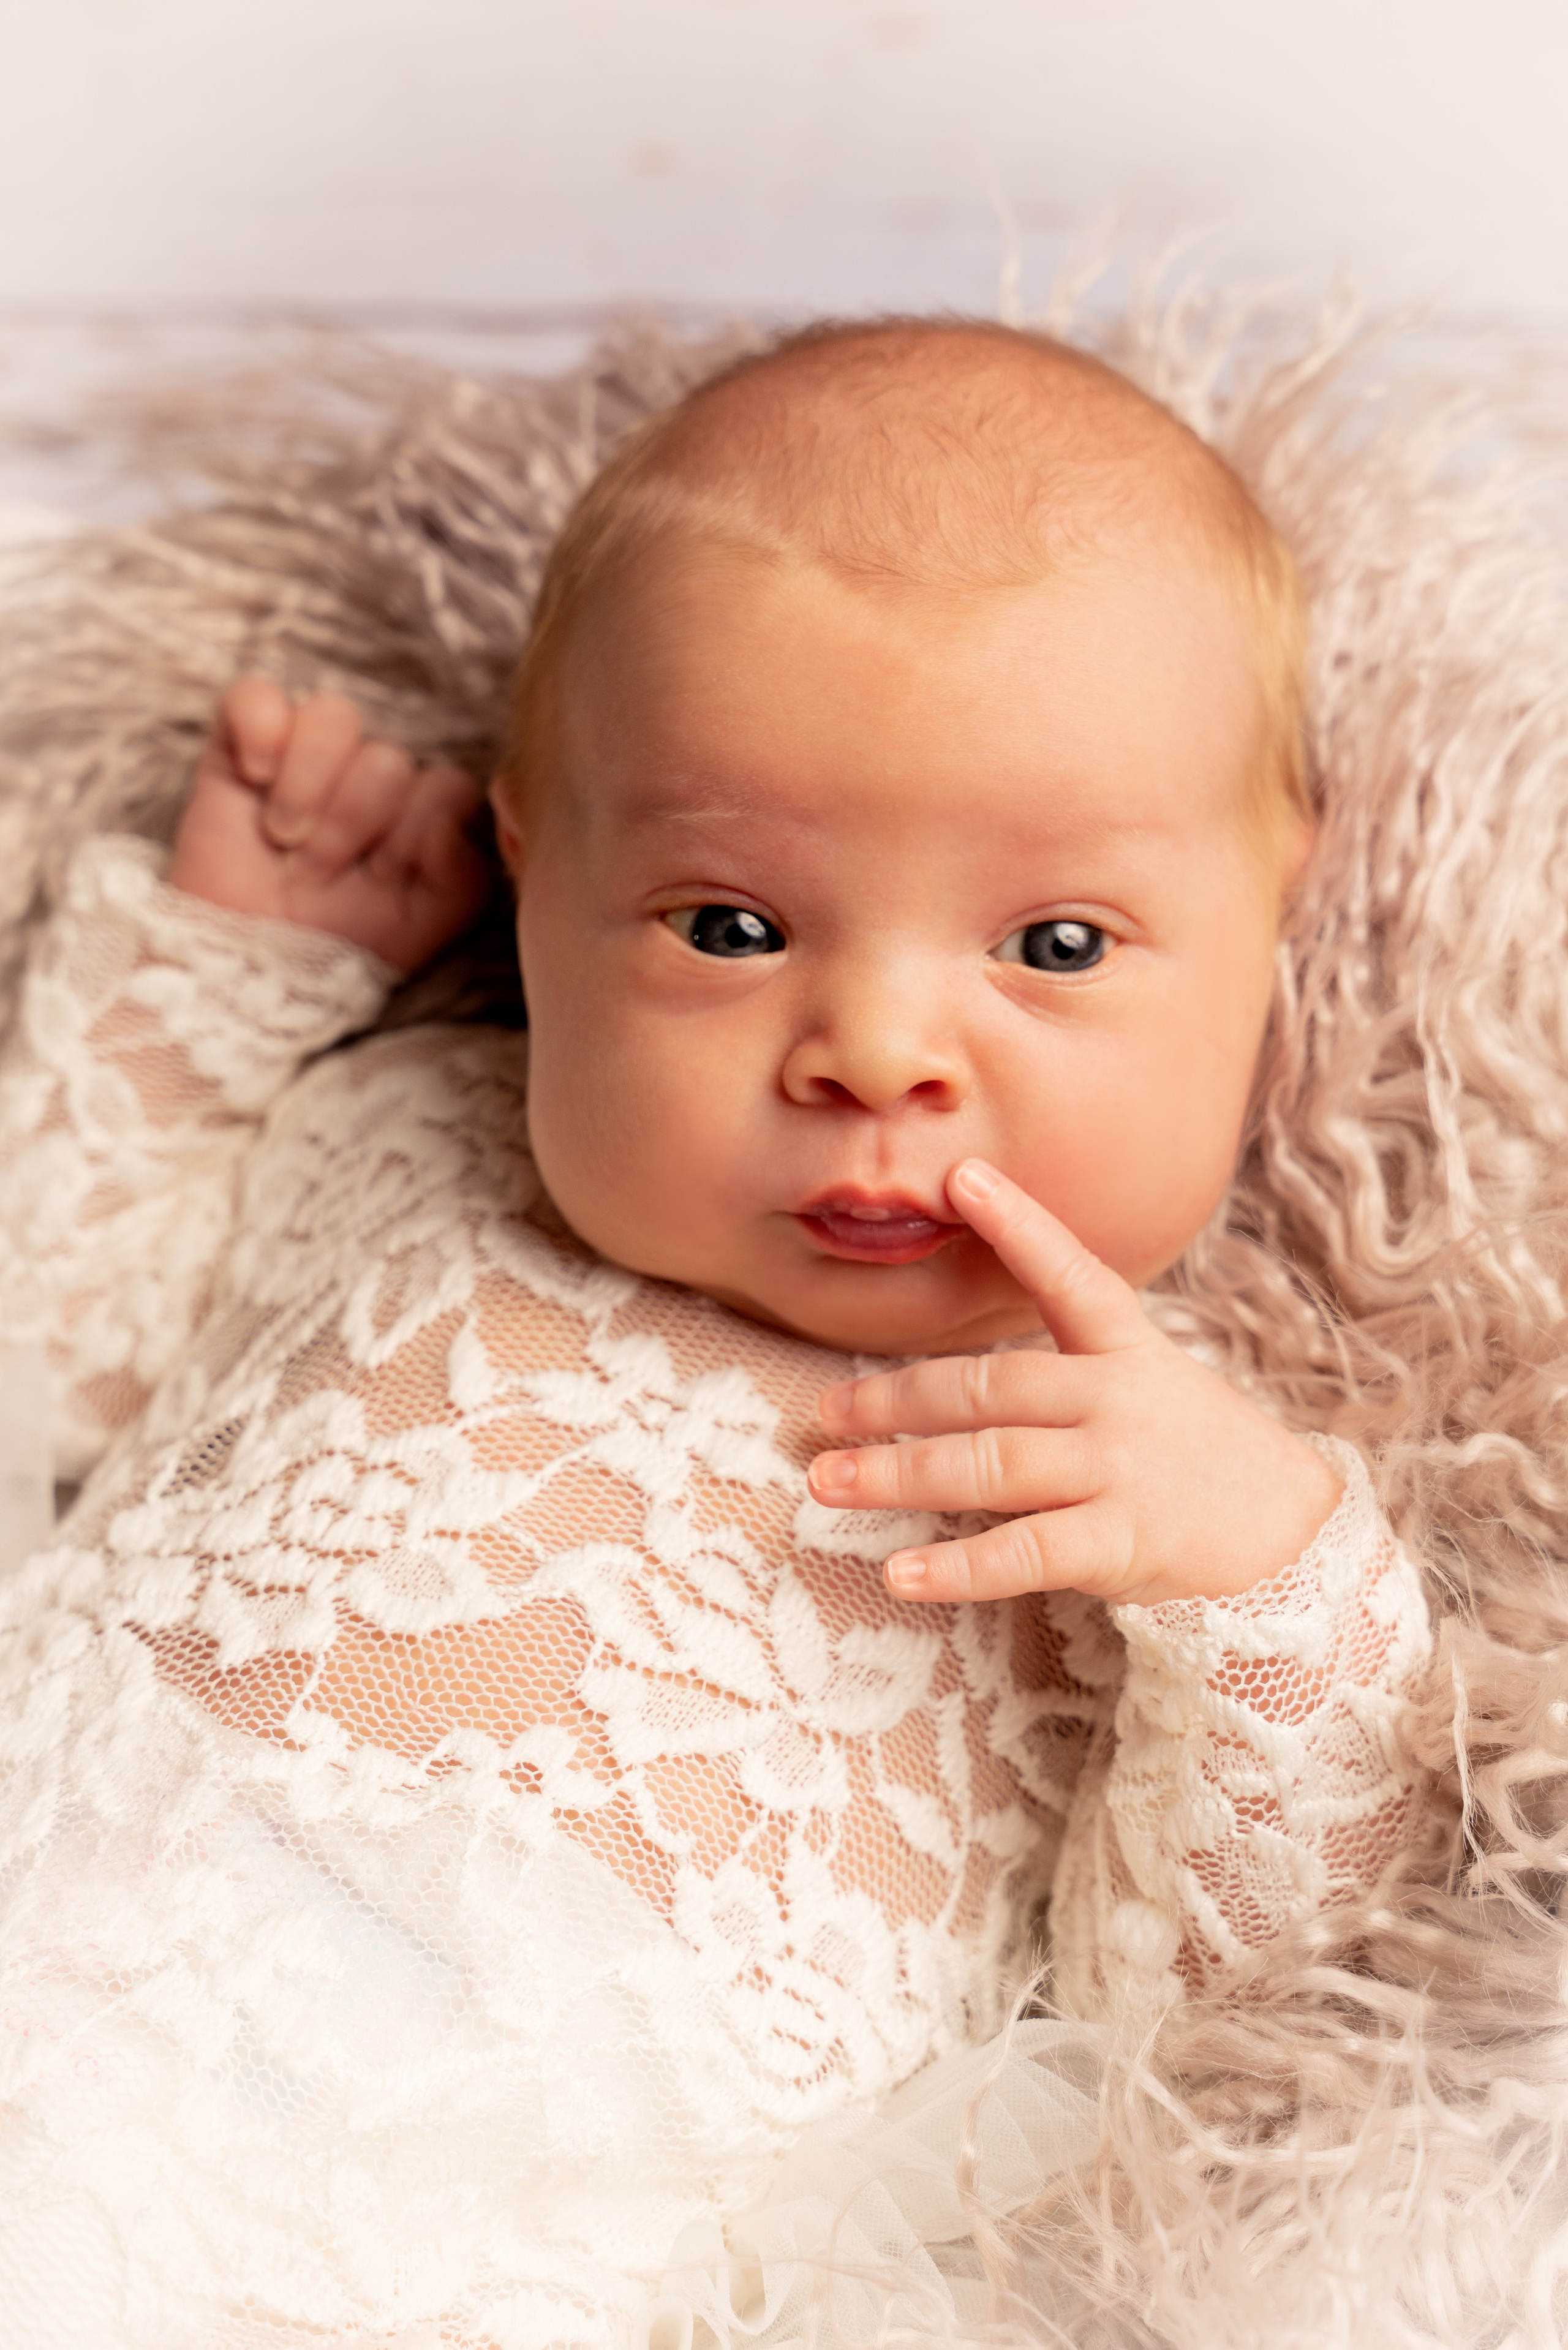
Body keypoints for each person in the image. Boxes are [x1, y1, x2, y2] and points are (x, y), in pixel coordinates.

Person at [0, 320, 1430, 2348]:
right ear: (533, 869)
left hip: (481, 2247)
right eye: (730, 927)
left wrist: (1275, 1598)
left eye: (1054, 946)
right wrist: (226, 973)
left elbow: (1234, 2041)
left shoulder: (1130, 1487)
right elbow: (62, 1357)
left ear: (1272, 922)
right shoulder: (399, 1134)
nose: (876, 1054)